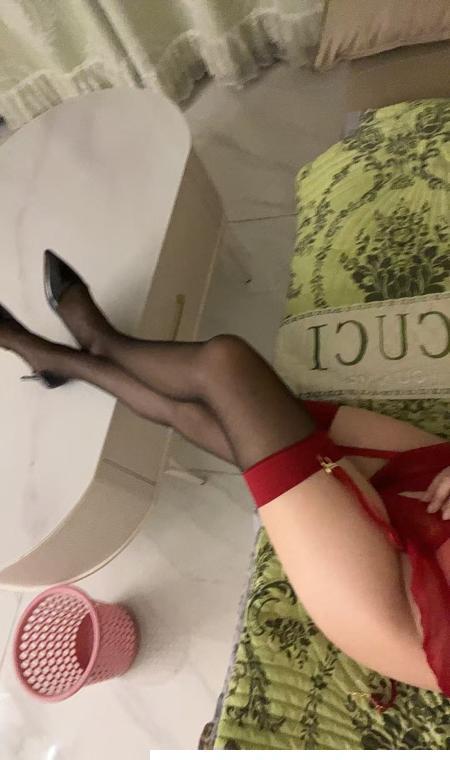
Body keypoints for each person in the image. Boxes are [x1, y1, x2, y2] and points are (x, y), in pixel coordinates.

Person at [1, 250, 448, 698]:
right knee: (256, 417)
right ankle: (89, 351)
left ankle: (87, 353)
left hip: (415, 609)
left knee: (226, 367)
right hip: (433, 490)